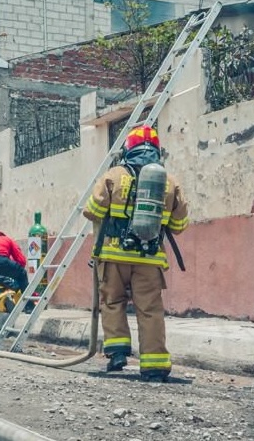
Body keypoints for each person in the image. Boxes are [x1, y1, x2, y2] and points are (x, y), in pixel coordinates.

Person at [82, 125, 189, 382]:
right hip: (150, 258)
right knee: (150, 309)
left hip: (113, 255)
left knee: (113, 302)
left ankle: (118, 354)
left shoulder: (113, 175)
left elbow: (92, 211)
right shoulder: (169, 181)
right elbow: (179, 225)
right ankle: (155, 366)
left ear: (127, 148)